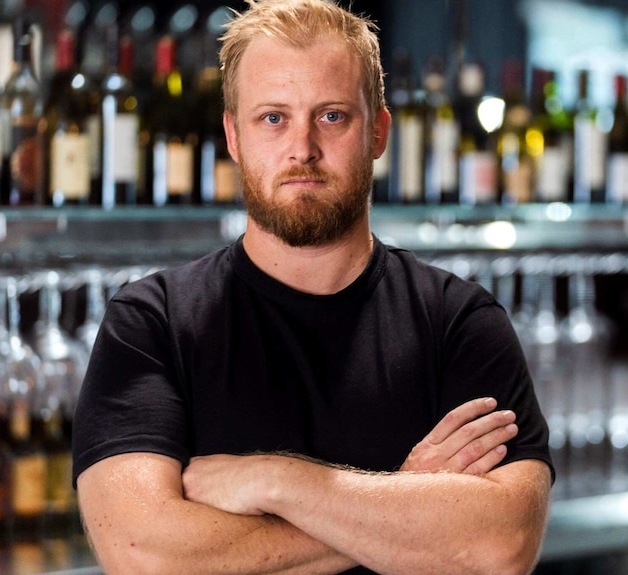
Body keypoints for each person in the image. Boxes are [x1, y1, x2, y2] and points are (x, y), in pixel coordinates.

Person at [72, 1, 554, 574]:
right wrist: (401, 497)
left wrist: (276, 481)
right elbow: (143, 555)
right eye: (273, 118)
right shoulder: (152, 324)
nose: (302, 148)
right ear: (233, 135)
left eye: (331, 116)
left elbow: (501, 546)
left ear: (377, 131)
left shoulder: (458, 322)